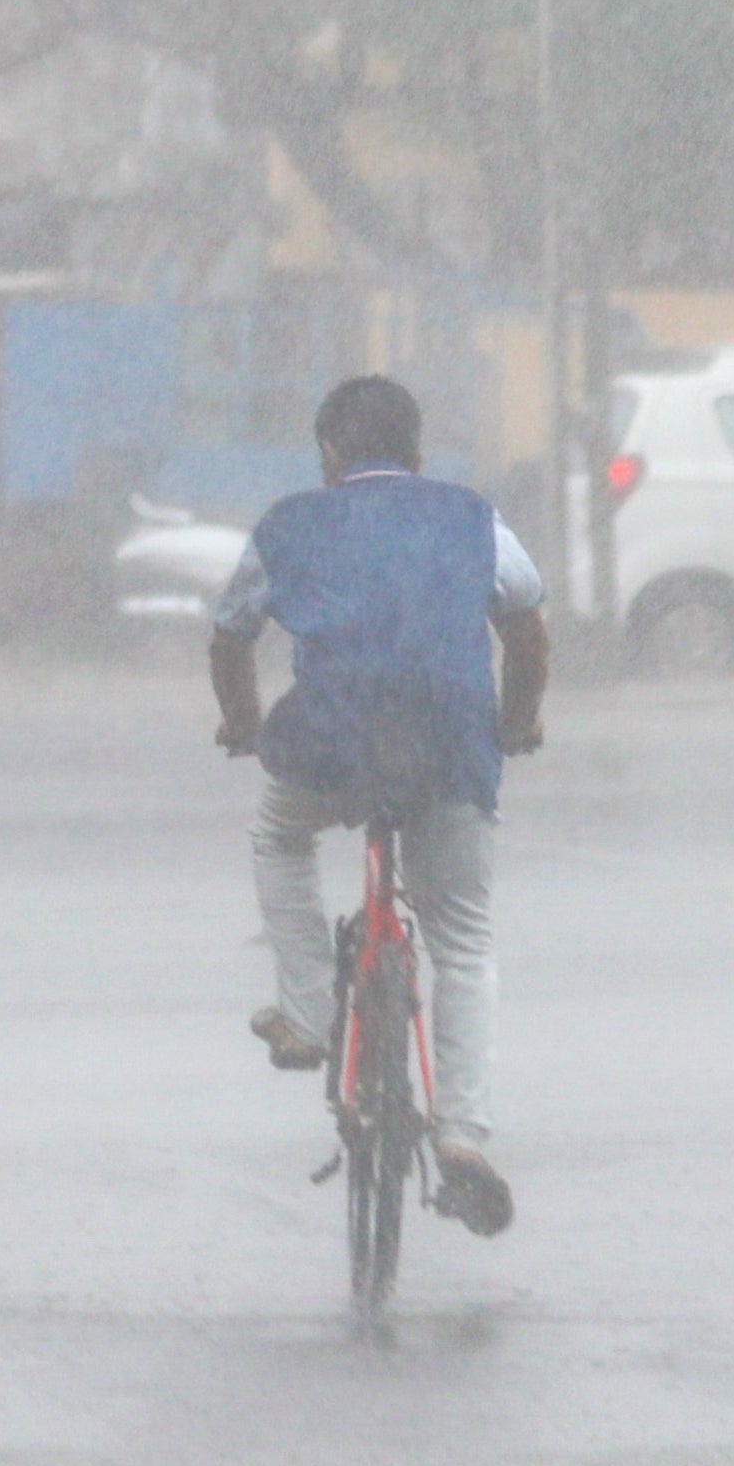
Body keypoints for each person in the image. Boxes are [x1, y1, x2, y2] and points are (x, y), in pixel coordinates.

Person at [209, 376, 548, 1237]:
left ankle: (313, 1014)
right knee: (463, 936)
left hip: (330, 743)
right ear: (419, 454)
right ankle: (463, 1139)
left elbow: (231, 634)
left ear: (329, 455)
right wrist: (514, 723)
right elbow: (528, 628)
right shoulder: (471, 516)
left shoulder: (289, 524)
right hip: (448, 743)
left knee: (279, 835)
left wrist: (243, 723)